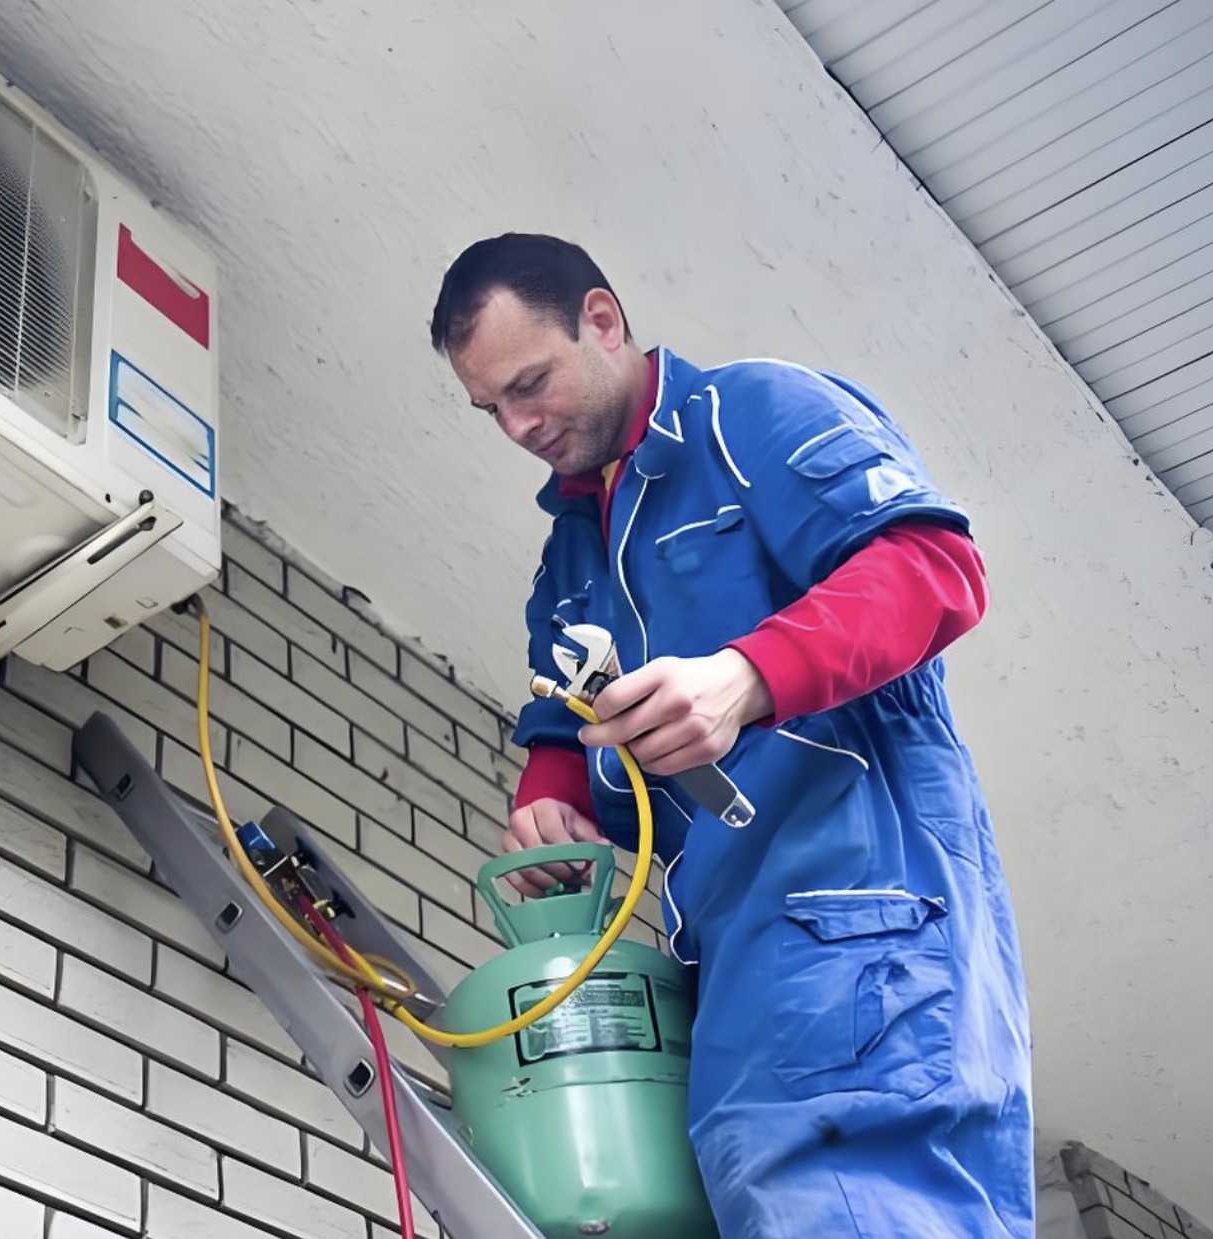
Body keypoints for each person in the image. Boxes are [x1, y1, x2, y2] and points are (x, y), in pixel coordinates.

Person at [428, 233, 1033, 1239]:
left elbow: (933, 567)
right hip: (726, 964)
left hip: (862, 920)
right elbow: (561, 731)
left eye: (530, 384)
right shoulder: (570, 560)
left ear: (602, 320)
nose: (518, 424)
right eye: (491, 407)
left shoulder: (745, 413)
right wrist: (551, 805)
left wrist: (745, 678)